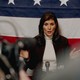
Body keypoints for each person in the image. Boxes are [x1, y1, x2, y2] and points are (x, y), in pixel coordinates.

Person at [32, 11, 71, 80]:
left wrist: (71, 58)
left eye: (52, 24)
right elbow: (31, 66)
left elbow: (67, 64)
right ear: (42, 26)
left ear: (55, 26)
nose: (49, 28)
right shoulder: (35, 41)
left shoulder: (63, 41)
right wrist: (27, 58)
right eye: (46, 24)